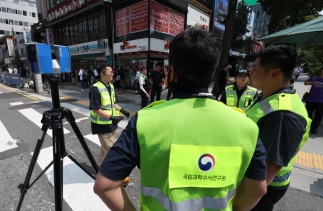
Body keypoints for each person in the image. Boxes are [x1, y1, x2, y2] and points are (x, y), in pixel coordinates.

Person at [94, 28, 267, 211]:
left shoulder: (145, 122)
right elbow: (258, 189)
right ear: (212, 73)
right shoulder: (248, 127)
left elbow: (104, 186)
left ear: (171, 73)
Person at [246, 45, 311, 211]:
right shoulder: (268, 96)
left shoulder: (284, 114)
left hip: (262, 187)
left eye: (254, 68)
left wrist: (242, 203)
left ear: (274, 73)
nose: (250, 72)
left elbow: (270, 167)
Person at [88, 63, 131, 181]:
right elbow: (95, 109)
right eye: (110, 72)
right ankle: (111, 174)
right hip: (101, 125)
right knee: (111, 149)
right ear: (102, 74)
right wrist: (111, 117)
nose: (113, 74)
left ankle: (100, 167)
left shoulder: (111, 86)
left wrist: (122, 110)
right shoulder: (95, 88)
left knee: (106, 147)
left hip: (111, 124)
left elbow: (113, 104)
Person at [303, 67, 323, 134]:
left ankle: (314, 128)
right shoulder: (315, 78)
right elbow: (305, 83)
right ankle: (308, 125)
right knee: (308, 114)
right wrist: (310, 83)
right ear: (321, 71)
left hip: (321, 102)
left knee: (319, 116)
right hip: (311, 99)